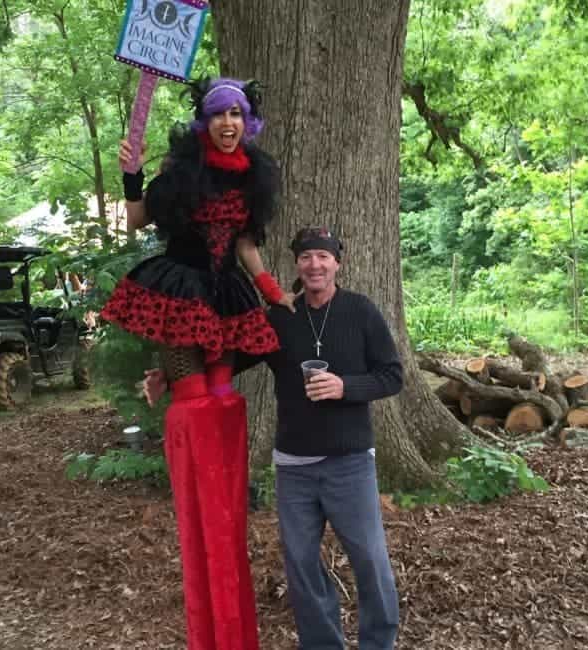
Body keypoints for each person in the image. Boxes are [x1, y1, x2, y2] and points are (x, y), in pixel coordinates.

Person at [101, 77, 295, 650]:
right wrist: (131, 172)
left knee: (224, 400)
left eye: (237, 113)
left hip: (225, 295)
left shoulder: (254, 175)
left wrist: (271, 290)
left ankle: (225, 509)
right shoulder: (182, 172)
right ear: (204, 122)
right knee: (191, 404)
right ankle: (196, 515)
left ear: (248, 121)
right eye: (218, 114)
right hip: (180, 292)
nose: (228, 122)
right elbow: (137, 220)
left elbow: (245, 247)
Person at [145, 226, 403, 649]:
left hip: (349, 463)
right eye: (306, 257)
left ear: (337, 262)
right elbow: (228, 361)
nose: (315, 265)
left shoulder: (361, 311)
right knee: (301, 564)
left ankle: (379, 642)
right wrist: (172, 378)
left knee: (370, 560)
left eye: (323, 256)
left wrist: (345, 387)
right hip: (295, 468)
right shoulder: (280, 317)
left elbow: (392, 375)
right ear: (297, 264)